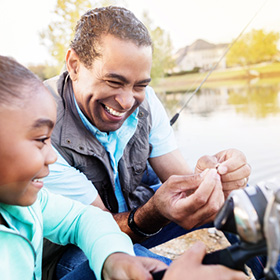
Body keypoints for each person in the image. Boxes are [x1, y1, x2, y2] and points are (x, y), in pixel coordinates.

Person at [42, 5, 252, 278]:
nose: (127, 101)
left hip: (135, 219)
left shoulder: (147, 101)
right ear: (74, 65)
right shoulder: (40, 126)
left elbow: (181, 180)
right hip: (72, 248)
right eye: (114, 82)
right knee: (150, 268)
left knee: (245, 218)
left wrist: (212, 180)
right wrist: (153, 213)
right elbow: (93, 227)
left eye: (139, 85)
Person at [0, 55, 247, 280]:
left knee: (235, 213)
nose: (52, 157)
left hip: (122, 225)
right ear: (74, 65)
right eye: (42, 140)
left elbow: (82, 219)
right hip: (62, 260)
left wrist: (113, 257)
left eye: (140, 86)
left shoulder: (30, 204)